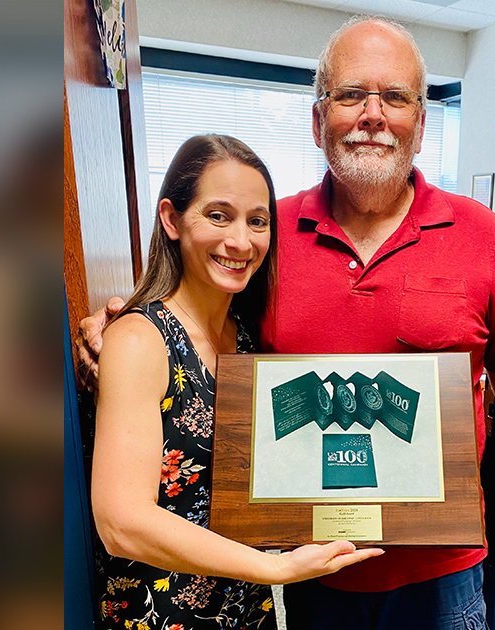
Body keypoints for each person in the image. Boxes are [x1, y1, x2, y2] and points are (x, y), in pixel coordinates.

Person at [78, 18, 495, 629]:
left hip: (442, 573)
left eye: (395, 97)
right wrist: (116, 321)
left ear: (420, 125)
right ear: (318, 123)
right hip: (314, 571)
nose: (373, 114)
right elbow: (193, 316)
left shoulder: (481, 234)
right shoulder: (267, 235)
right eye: (350, 96)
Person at [89, 134, 382, 630]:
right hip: (163, 615)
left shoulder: (247, 338)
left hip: (244, 611)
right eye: (218, 215)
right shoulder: (140, 339)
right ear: (171, 219)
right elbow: (122, 523)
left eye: (257, 221)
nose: (241, 242)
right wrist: (277, 567)